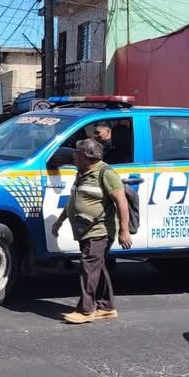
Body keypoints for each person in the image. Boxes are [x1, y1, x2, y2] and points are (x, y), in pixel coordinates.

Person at [50, 139, 132, 325]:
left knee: (88, 267)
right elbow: (73, 201)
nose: (73, 156)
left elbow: (121, 202)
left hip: (99, 229)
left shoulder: (106, 173)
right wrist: (60, 221)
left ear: (87, 157)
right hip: (84, 229)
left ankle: (86, 310)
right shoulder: (82, 173)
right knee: (97, 267)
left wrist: (124, 231)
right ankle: (106, 307)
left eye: (77, 154)